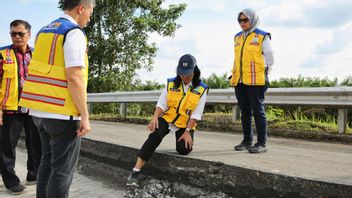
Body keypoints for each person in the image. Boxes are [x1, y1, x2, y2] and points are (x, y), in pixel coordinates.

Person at [18, 0, 95, 197]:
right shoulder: (73, 32)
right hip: (62, 112)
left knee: (46, 164)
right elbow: (74, 76)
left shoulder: (44, 31)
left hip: (39, 111)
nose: (90, 16)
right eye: (90, 11)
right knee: (62, 171)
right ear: (81, 8)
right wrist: (84, 115)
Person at [126, 54, 209, 187]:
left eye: (188, 74)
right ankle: (135, 171)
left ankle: (184, 139)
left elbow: (197, 113)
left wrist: (188, 131)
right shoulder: (171, 83)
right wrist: (154, 117)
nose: (184, 77)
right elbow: (162, 103)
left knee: (184, 149)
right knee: (155, 136)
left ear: (195, 71)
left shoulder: (201, 89)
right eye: (182, 74)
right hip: (167, 117)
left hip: (184, 123)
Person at [0, 19, 42, 195]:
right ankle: (10, 182)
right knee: (7, 148)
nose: (16, 37)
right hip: (11, 108)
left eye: (20, 33)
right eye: (13, 33)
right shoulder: (3, 54)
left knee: (36, 144)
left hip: (33, 107)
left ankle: (34, 175)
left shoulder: (36, 54)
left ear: (29, 35)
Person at [229, 8, 274, 153]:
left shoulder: (262, 36)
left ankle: (261, 144)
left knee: (258, 112)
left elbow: (270, 57)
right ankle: (247, 141)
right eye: (240, 20)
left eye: (245, 20)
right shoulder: (237, 37)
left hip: (256, 81)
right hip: (240, 80)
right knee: (245, 112)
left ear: (253, 19)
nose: (242, 23)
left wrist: (266, 72)